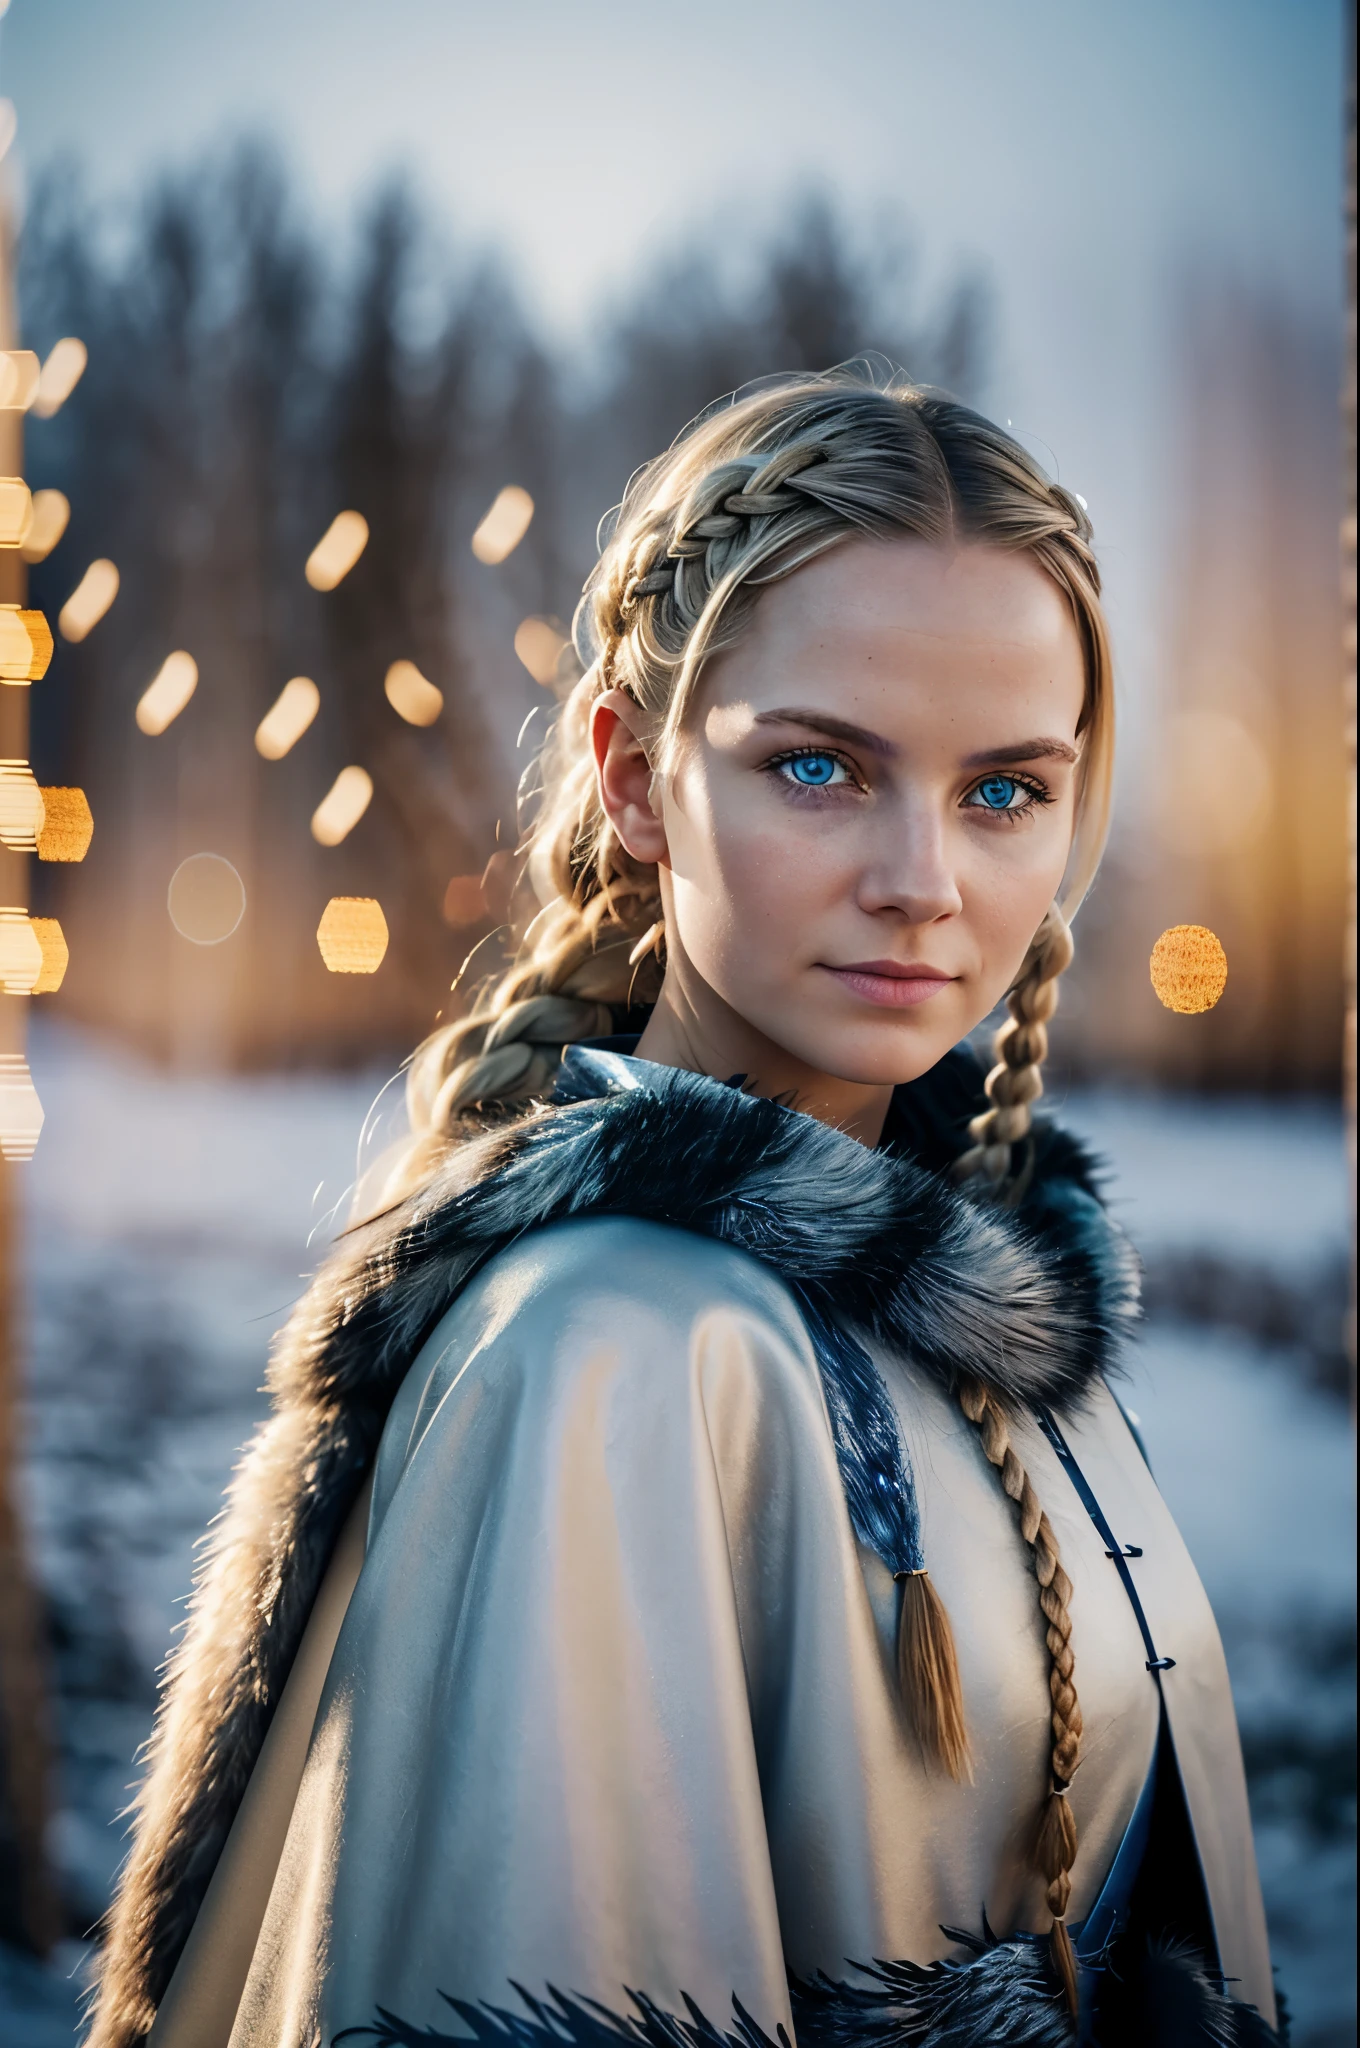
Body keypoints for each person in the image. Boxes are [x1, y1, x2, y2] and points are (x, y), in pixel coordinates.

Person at [90, 371, 1282, 2048]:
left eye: (1003, 790)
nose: (924, 881)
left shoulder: (980, 1292)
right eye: (820, 768)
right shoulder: (619, 1344)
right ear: (638, 781)